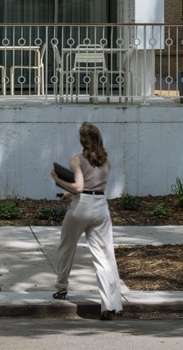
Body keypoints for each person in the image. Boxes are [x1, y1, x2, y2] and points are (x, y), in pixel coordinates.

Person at [50, 121, 123, 320]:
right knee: (104, 257)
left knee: (66, 247)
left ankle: (61, 288)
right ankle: (110, 306)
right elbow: (93, 185)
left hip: (81, 207)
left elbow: (80, 187)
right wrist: (68, 194)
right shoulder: (106, 162)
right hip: (100, 207)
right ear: (99, 139)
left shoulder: (76, 160)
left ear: (82, 140)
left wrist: (57, 179)